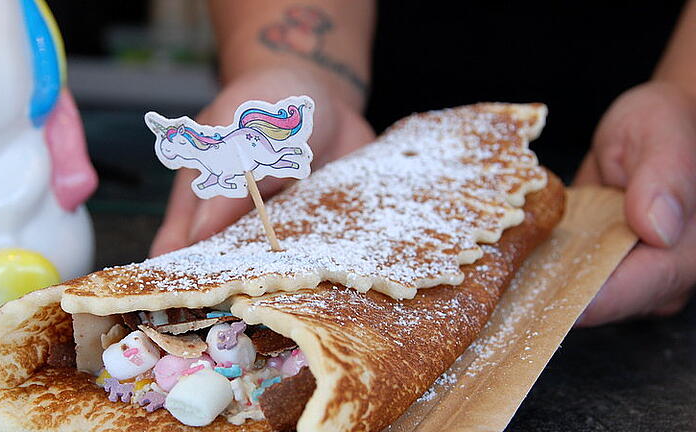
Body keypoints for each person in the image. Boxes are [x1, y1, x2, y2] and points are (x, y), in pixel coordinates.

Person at [149, 0, 696, 327]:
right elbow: (296, 32)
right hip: (356, 158)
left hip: (627, 150)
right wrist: (294, 71)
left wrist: (686, 101)